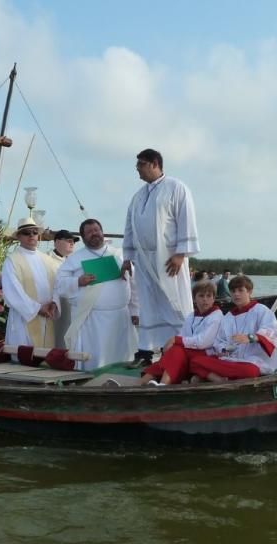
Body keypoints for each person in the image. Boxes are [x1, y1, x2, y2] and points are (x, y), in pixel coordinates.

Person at [122, 148, 200, 368]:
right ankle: (146, 350)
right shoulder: (138, 196)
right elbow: (129, 226)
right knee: (148, 303)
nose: (137, 170)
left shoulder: (176, 188)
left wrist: (180, 253)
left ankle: (184, 347)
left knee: (174, 301)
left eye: (141, 165)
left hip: (168, 258)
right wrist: (127, 257)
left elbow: (186, 219)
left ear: (154, 163)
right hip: (143, 260)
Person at [54, 219, 138, 370]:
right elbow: (59, 284)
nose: (94, 234)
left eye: (96, 230)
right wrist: (78, 281)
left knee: (121, 361)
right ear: (83, 237)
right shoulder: (75, 259)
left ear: (102, 232)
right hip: (91, 320)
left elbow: (134, 284)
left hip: (121, 318)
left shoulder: (120, 255)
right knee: (95, 361)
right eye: (89, 232)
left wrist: (135, 310)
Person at [188, 275, 277, 382]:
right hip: (231, 360)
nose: (236, 294)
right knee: (195, 361)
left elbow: (271, 332)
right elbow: (219, 341)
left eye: (241, 290)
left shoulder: (261, 310)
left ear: (249, 292)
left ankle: (208, 376)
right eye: (233, 291)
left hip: (253, 361)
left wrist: (250, 337)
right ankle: (219, 379)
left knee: (250, 371)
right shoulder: (228, 317)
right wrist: (224, 349)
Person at [140, 279, 223, 386]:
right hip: (190, 352)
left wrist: (175, 340)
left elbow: (204, 342)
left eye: (209, 296)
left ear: (213, 299)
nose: (205, 300)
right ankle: (141, 383)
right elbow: (183, 334)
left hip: (207, 353)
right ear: (194, 298)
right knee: (174, 352)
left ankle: (161, 384)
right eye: (201, 296)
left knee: (176, 351)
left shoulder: (216, 316)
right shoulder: (192, 316)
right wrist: (174, 342)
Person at [1, 217, 60, 349]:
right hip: (25, 317)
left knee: (46, 357)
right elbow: (12, 291)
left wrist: (54, 303)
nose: (32, 235)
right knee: (25, 357)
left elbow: (58, 284)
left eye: (34, 232)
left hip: (47, 316)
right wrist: (37, 308)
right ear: (19, 237)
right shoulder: (12, 260)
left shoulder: (48, 260)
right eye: (27, 233)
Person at [49, 228, 79, 348]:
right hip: (54, 305)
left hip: (71, 305)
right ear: (56, 242)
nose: (72, 243)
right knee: (57, 336)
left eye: (73, 241)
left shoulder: (74, 263)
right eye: (68, 240)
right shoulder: (46, 260)